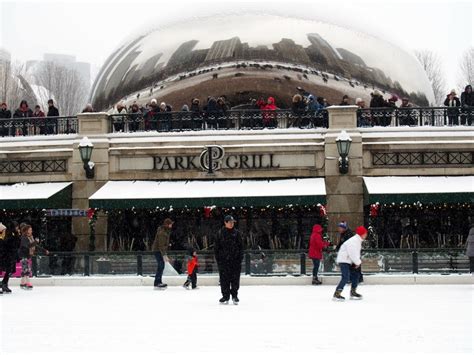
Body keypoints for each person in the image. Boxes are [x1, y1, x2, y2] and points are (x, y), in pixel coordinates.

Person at [333, 226, 368, 301]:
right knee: (346, 277)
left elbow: (355, 253)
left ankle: (353, 292)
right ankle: (337, 294)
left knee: (356, 275)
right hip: (344, 260)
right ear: (361, 234)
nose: (366, 235)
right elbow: (352, 253)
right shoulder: (354, 241)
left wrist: (356, 262)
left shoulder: (358, 240)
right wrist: (357, 262)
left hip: (349, 260)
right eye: (365, 233)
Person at [214, 215, 244, 305]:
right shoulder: (220, 233)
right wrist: (219, 260)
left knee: (235, 280)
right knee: (224, 280)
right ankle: (225, 296)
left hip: (235, 261)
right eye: (230, 222)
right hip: (224, 262)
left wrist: (239, 258)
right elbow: (216, 248)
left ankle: (234, 295)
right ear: (225, 223)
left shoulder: (237, 233)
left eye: (233, 222)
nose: (231, 224)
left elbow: (241, 247)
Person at [18, 224, 49, 290]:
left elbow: (34, 246)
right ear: (26, 231)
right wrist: (35, 242)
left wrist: (44, 250)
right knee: (26, 269)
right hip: (23, 255)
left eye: (31, 230)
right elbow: (27, 246)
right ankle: (27, 283)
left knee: (24, 269)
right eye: (30, 230)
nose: (31, 231)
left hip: (27, 255)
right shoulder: (24, 237)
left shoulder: (30, 237)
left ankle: (22, 283)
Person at [151, 218, 173, 289]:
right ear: (167, 224)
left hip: (159, 250)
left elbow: (163, 244)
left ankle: (158, 282)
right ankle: (157, 282)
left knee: (161, 265)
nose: (171, 226)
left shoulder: (165, 231)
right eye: (170, 224)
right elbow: (161, 245)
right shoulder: (162, 233)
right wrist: (164, 255)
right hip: (158, 250)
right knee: (161, 265)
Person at [0, 221, 21, 293]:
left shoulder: (15, 234)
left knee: (10, 270)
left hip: (12, 255)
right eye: (16, 226)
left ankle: (4, 283)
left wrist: (17, 235)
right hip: (6, 255)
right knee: (7, 269)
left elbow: (17, 244)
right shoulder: (7, 233)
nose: (18, 228)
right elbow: (6, 243)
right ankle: (3, 284)